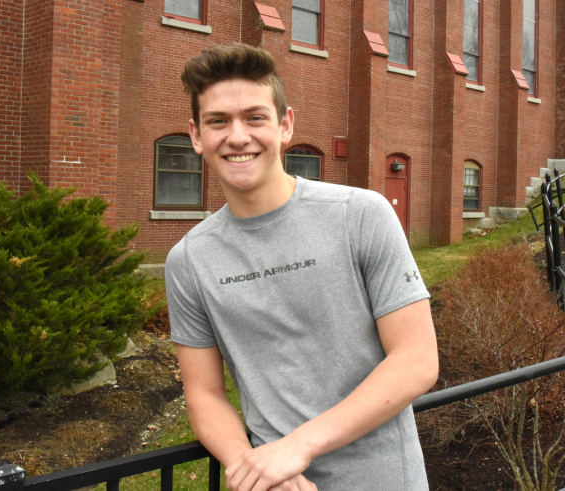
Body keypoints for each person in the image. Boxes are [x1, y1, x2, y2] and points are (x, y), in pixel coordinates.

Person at [165, 43, 439, 491]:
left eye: (255, 117)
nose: (237, 137)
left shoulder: (360, 215)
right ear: (196, 136)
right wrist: (253, 466)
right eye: (218, 121)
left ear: (285, 125)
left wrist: (298, 447)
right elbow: (204, 394)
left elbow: (416, 360)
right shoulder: (189, 261)